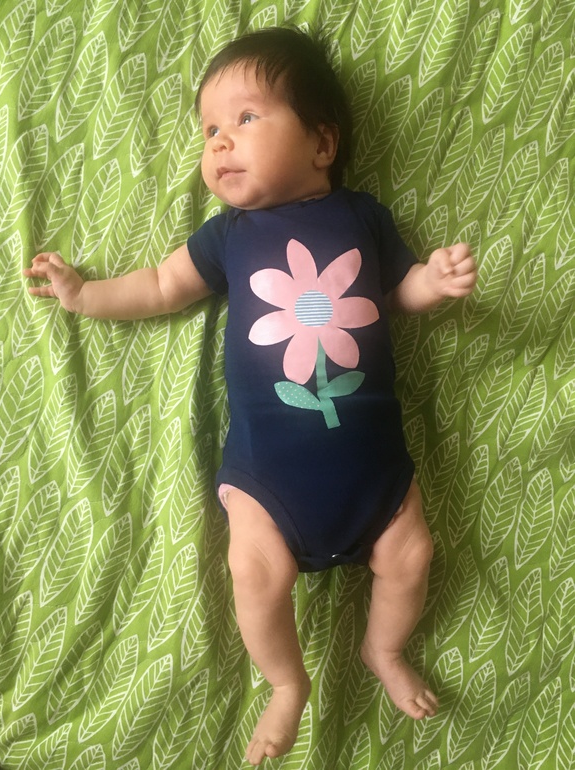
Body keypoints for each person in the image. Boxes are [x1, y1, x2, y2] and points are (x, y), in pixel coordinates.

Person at [25, 27, 477, 767]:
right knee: (253, 573)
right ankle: (287, 682)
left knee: (411, 555)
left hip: (378, 476)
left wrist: (435, 280)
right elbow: (161, 286)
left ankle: (384, 648)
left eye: (244, 118)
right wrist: (85, 294)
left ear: (322, 143)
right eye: (209, 129)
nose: (220, 142)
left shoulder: (363, 216)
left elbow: (399, 290)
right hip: (268, 479)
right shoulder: (227, 235)